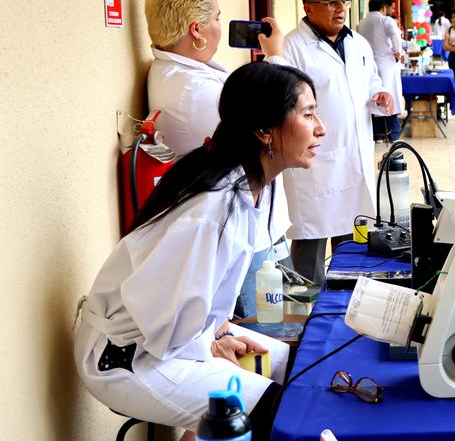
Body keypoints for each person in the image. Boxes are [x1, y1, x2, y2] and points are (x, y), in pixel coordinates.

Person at [75, 62, 324, 440]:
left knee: (299, 366)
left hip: (172, 336)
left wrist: (220, 333)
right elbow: (163, 323)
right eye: (308, 114)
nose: (320, 127)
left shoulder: (252, 183)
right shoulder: (211, 211)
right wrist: (211, 345)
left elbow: (197, 299)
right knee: (276, 411)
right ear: (264, 131)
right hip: (129, 357)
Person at [143, 0, 292, 318]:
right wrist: (276, 59)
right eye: (217, 19)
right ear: (196, 30)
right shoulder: (193, 90)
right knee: (269, 333)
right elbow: (280, 123)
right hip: (245, 237)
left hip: (249, 228)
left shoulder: (182, 72)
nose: (220, 27)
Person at [272, 0, 394, 287]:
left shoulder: (358, 43)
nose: (340, 8)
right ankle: (308, 318)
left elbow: (370, 81)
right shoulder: (293, 47)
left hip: (355, 159)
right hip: (316, 164)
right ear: (309, 8)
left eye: (343, 1)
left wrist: (379, 95)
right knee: (310, 248)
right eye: (330, 3)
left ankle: (348, 305)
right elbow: (284, 102)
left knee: (353, 244)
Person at [358, 0, 406, 142]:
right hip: (386, 63)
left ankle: (378, 134)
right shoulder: (385, 20)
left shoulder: (362, 22)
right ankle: (393, 133)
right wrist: (398, 52)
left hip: (368, 63)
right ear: (383, 8)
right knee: (390, 97)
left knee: (373, 97)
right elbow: (395, 35)